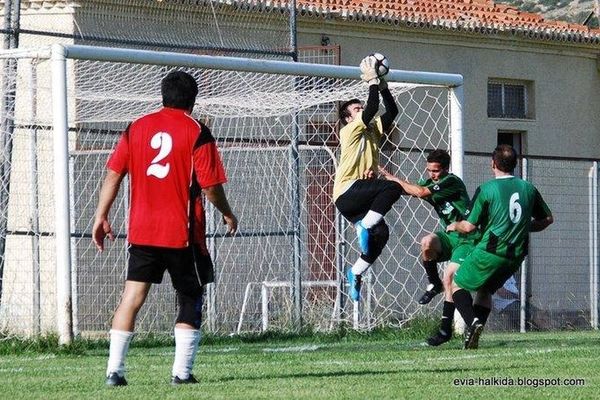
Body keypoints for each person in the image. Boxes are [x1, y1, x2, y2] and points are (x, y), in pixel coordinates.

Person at [92, 71, 238, 386]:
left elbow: (113, 175)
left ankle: (114, 372)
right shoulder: (198, 131)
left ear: (162, 95)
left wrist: (101, 216)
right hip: (181, 234)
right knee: (189, 296)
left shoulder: (136, 127)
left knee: (132, 296)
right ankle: (181, 374)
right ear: (193, 99)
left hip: (142, 231)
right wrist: (227, 213)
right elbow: (211, 187)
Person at [447, 144, 553, 349]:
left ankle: (473, 323)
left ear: (493, 163)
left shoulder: (487, 189)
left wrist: (454, 225)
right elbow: (547, 219)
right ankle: (472, 340)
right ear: (514, 164)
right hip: (516, 255)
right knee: (485, 291)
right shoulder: (529, 188)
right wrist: (523, 226)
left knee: (455, 284)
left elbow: (469, 226)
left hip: (491, 251)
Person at [379, 149, 479, 346]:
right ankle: (433, 284)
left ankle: (445, 330)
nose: (432, 175)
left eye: (436, 171)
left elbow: (420, 192)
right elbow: (408, 189)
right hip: (450, 236)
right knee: (427, 242)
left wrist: (393, 178)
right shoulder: (432, 183)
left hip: (467, 238)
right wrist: (382, 181)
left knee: (450, 277)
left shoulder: (451, 181)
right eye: (429, 170)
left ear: (445, 169)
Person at [334, 55, 402, 302]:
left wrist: (383, 86)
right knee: (392, 187)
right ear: (348, 118)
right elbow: (373, 108)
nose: (362, 109)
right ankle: (365, 224)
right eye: (357, 109)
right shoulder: (349, 129)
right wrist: (372, 80)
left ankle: (354, 272)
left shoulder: (372, 128)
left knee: (381, 236)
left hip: (359, 196)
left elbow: (392, 111)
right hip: (346, 193)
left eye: (361, 107)